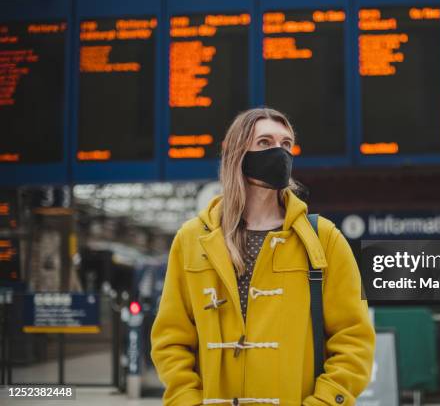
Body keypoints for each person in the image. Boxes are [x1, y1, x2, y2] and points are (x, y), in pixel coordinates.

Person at [150, 107, 375, 405]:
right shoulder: (192, 240)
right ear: (236, 153)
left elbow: (353, 339)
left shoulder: (324, 239)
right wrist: (186, 399)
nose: (279, 153)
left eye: (286, 144)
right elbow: (171, 339)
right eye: (265, 143)